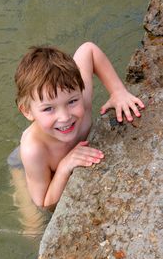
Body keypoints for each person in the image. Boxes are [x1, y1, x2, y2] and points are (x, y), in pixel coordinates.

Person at [14, 42, 145, 210]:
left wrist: (117, 91)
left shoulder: (82, 97)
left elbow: (88, 50)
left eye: (72, 102)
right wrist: (63, 167)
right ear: (27, 112)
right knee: (32, 226)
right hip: (24, 163)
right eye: (48, 108)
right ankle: (16, 177)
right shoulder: (34, 150)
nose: (65, 117)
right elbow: (44, 203)